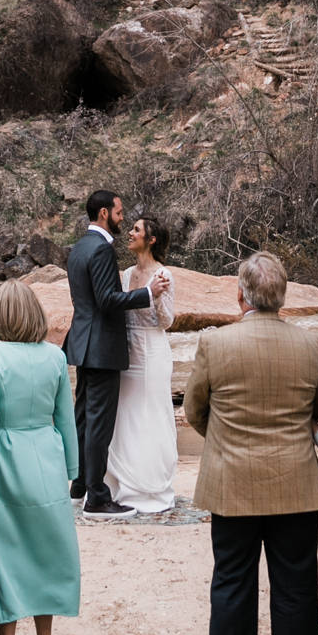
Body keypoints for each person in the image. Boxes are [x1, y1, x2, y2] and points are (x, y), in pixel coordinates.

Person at [183, 251, 318, 635]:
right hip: (293, 482)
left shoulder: (215, 344)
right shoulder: (309, 346)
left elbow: (195, 412)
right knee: (295, 591)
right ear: (283, 296)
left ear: (240, 294)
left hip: (233, 484)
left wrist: (225, 441)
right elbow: (317, 406)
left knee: (232, 588)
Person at [0, 279, 81, 635]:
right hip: (46, 460)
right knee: (45, 557)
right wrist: (71, 468)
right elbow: (66, 416)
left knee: (5, 563)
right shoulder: (54, 356)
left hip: (4, 463)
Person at [64, 190, 169, 517]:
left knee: (82, 417)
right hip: (101, 347)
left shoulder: (80, 247)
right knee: (99, 422)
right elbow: (107, 300)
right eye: (120, 212)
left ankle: (81, 483)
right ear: (105, 214)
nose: (123, 218)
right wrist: (147, 294)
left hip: (82, 343)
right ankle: (96, 496)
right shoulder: (101, 250)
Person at [105, 213, 178, 514]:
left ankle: (149, 488)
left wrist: (157, 296)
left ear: (151, 239)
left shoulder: (164, 275)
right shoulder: (124, 274)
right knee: (126, 416)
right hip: (127, 351)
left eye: (137, 230)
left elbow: (167, 321)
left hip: (152, 350)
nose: (130, 233)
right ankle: (123, 485)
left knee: (151, 414)